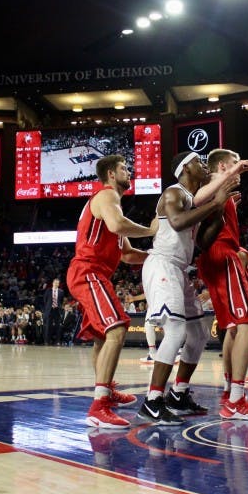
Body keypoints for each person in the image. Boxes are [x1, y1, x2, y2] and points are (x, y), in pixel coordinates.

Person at [136, 151, 238, 425]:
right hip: (162, 265)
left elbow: (202, 243)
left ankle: (179, 394)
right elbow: (179, 221)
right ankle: (153, 401)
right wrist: (214, 202)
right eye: (198, 162)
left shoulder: (191, 201)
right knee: (177, 330)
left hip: (179, 269)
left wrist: (220, 212)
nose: (203, 165)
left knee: (199, 334)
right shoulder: (173, 193)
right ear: (184, 168)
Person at [68, 154, 155, 429]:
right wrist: (153, 230)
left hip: (94, 273)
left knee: (101, 337)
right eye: (123, 169)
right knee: (117, 328)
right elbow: (118, 226)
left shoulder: (112, 207)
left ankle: (106, 388)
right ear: (110, 174)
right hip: (88, 271)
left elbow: (128, 255)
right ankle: (99, 405)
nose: (128, 172)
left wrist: (157, 255)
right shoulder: (107, 196)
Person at [197, 148, 248, 420]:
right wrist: (232, 173)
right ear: (224, 165)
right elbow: (198, 199)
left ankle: (229, 391)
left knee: (232, 327)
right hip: (222, 255)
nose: (240, 169)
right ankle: (237, 399)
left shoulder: (222, 191)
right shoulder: (214, 184)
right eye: (235, 163)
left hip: (215, 256)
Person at [42, 277, 66, 345]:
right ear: (53, 283)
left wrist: (58, 306)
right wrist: (49, 307)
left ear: (59, 284)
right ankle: (47, 341)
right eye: (55, 282)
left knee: (58, 326)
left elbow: (61, 301)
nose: (56, 284)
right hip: (49, 310)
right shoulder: (48, 290)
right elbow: (45, 300)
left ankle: (57, 341)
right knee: (48, 326)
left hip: (57, 310)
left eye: (57, 283)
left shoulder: (61, 291)